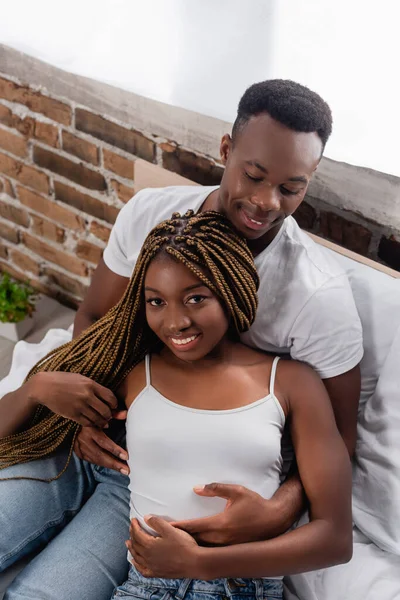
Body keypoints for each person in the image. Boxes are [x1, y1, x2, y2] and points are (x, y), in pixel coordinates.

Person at [0, 79, 362, 599]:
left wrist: (280, 509)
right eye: (254, 175)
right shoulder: (152, 214)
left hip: (163, 483)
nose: (265, 202)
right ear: (225, 149)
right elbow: (96, 315)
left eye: (291, 188)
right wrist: (78, 415)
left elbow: (338, 441)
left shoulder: (318, 299)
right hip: (100, 440)